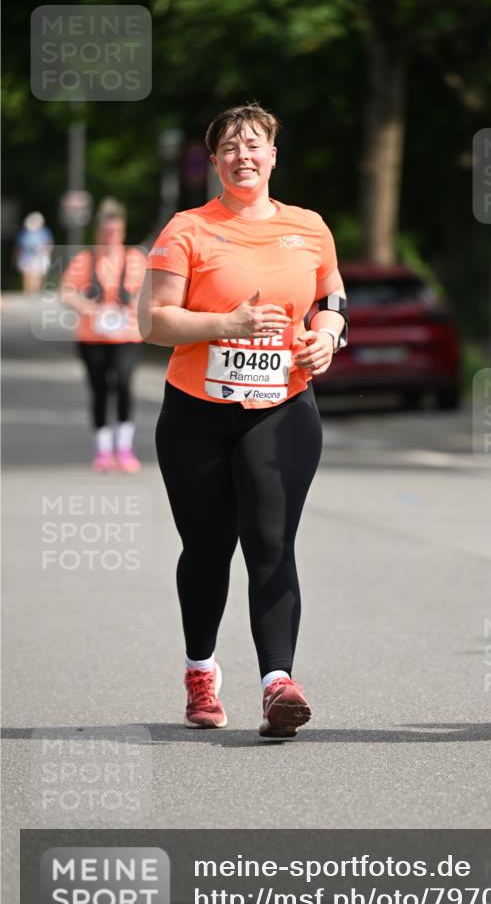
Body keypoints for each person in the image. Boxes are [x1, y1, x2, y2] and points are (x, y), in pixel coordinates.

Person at [138, 103, 348, 738]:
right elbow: (153, 321)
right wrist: (224, 325)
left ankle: (277, 683)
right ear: (215, 161)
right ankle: (200, 673)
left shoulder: (309, 227)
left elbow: (330, 296)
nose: (243, 156)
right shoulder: (188, 229)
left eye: (254, 145)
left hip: (283, 408)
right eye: (230, 147)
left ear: (273, 156)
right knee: (207, 549)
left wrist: (328, 334)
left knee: (270, 543)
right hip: (197, 413)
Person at [60, 199, 147, 472]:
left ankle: (124, 447)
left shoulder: (135, 259)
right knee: (99, 390)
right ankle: (103, 449)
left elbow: (150, 292)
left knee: (123, 384)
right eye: (106, 232)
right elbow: (67, 293)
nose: (111, 238)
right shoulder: (84, 260)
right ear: (99, 232)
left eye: (116, 232)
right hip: (92, 336)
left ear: (122, 232)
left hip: (127, 335)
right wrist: (92, 309)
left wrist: (134, 305)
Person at [15, 212, 53, 293]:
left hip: (38, 256)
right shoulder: (24, 234)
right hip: (27, 257)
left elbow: (49, 244)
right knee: (29, 274)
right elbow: (19, 247)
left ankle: (36, 291)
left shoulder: (44, 232)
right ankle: (29, 291)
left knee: (38, 274)